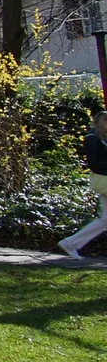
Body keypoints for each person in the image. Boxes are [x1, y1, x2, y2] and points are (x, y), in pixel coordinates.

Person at [59, 110, 107, 257]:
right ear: (99, 122)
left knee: (105, 220)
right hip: (103, 180)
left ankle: (70, 243)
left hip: (103, 180)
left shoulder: (101, 137)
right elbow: (94, 163)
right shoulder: (93, 138)